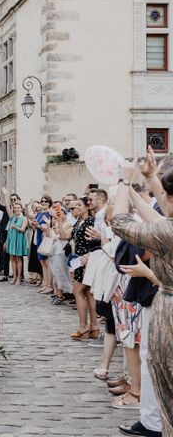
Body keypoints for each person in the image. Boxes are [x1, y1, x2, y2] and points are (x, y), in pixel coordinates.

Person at [112, 159, 172, 436]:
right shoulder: (166, 226)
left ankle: (160, 425)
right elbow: (157, 216)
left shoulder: (167, 231)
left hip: (168, 309)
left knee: (163, 373)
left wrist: (124, 183)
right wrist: (147, 180)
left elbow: (121, 223)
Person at [57, 196, 99, 341]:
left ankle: (83, 326)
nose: (75, 209)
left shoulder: (90, 221)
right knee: (88, 293)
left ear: (87, 206)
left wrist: (88, 256)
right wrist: (59, 221)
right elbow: (63, 237)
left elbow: (94, 242)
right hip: (78, 259)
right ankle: (94, 327)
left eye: (78, 205)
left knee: (77, 291)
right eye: (73, 207)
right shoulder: (78, 222)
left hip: (86, 259)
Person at [6, 202, 28, 285]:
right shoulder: (12, 217)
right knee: (12, 258)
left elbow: (22, 229)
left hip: (19, 239)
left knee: (18, 258)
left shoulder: (24, 218)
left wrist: (15, 227)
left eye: (18, 208)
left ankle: (19, 277)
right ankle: (14, 276)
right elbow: (7, 208)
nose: (16, 209)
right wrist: (5, 196)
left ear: (21, 209)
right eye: (15, 208)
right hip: (11, 239)